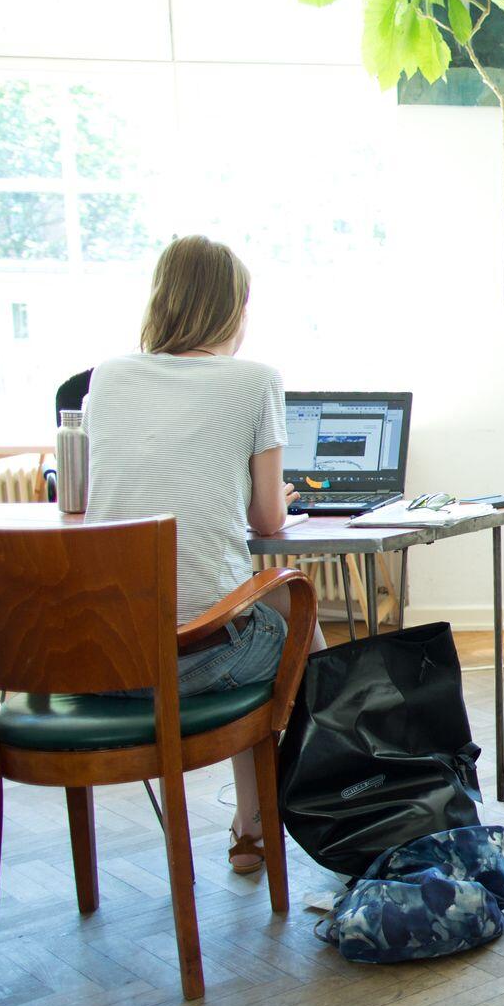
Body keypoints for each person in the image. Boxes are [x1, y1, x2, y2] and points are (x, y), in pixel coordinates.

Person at [86, 235, 324, 873]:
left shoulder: (108, 377)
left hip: (101, 660)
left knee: (264, 603)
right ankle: (310, 799)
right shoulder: (255, 381)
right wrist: (270, 496)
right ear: (235, 308)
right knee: (292, 619)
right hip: (194, 663)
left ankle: (255, 825)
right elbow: (268, 519)